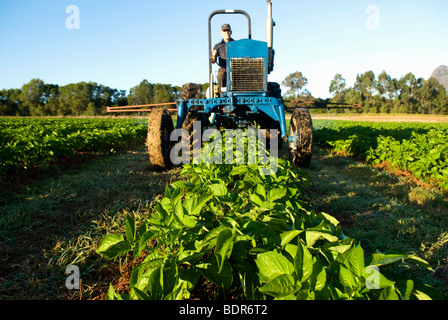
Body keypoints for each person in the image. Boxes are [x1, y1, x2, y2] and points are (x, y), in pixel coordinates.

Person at [210, 24, 235, 96]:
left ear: (231, 32)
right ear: (222, 33)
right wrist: (214, 55)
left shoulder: (236, 44)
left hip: (235, 68)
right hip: (224, 68)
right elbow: (212, 61)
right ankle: (222, 95)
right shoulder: (218, 46)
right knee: (220, 75)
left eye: (228, 31)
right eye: (225, 31)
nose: (227, 33)